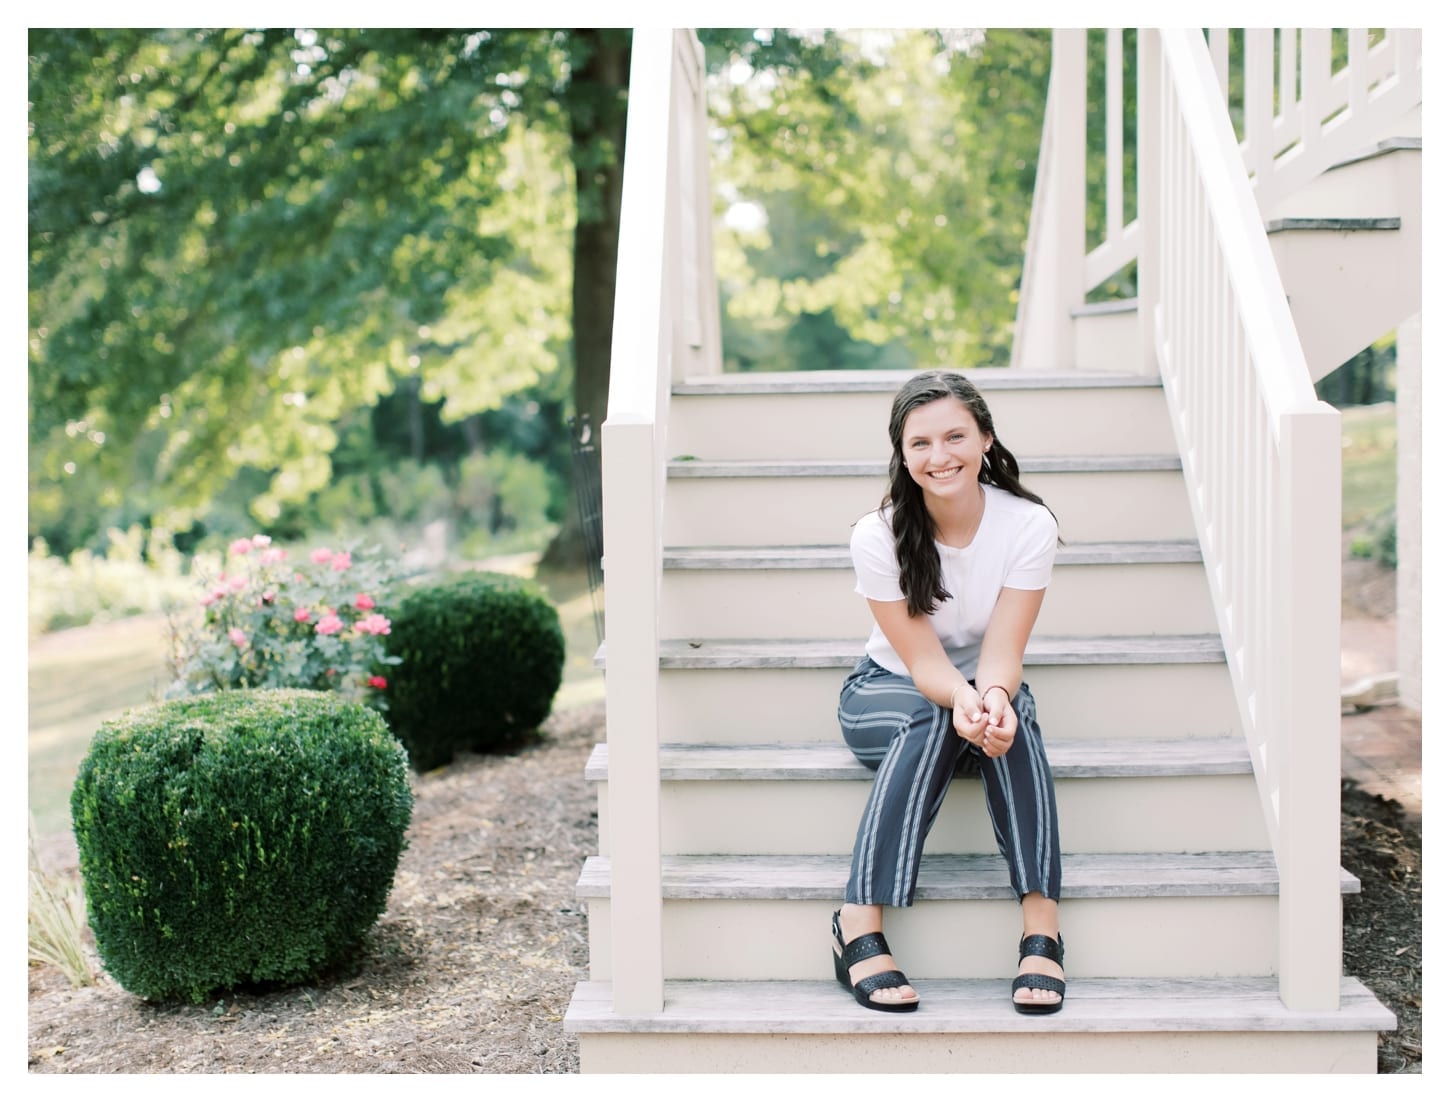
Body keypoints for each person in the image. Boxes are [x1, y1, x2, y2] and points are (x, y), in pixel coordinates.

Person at [830, 370, 1066, 1015]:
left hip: (980, 684)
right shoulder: (876, 534)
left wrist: (990, 697)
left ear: (986, 438)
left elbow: (1003, 651)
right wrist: (961, 700)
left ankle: (1041, 926)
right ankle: (859, 921)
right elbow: (922, 659)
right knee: (933, 718)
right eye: (921, 444)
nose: (940, 457)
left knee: (1012, 713)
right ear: (903, 457)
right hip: (886, 690)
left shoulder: (1029, 524)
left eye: (956, 436)